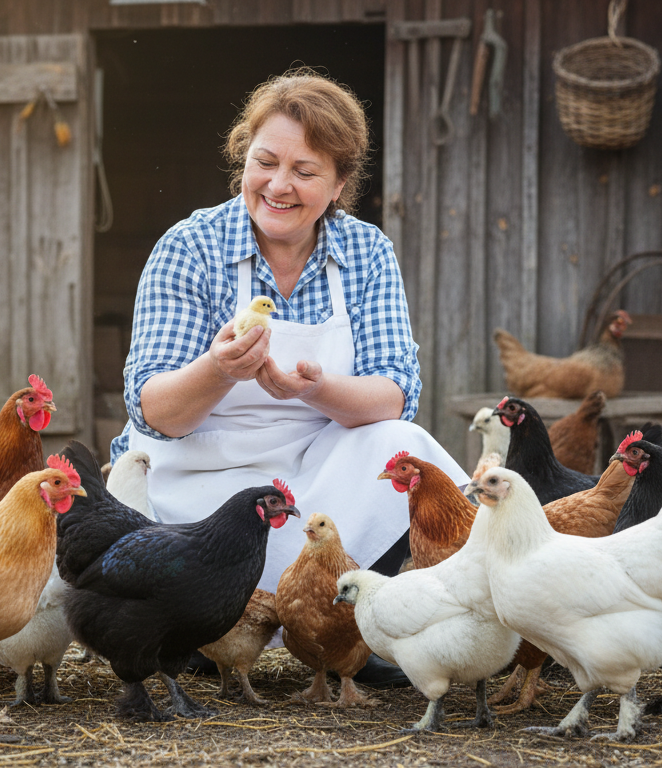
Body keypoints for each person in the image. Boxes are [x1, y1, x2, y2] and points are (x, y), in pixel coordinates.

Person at [111, 70, 467, 601]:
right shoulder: (189, 247)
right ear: (244, 160)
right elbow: (157, 413)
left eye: (304, 170)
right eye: (265, 163)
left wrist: (315, 389)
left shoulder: (366, 252)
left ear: (339, 184)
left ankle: (355, 620)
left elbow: (394, 395)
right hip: (202, 473)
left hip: (320, 464)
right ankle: (225, 624)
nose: (279, 186)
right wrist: (218, 370)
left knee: (403, 444)